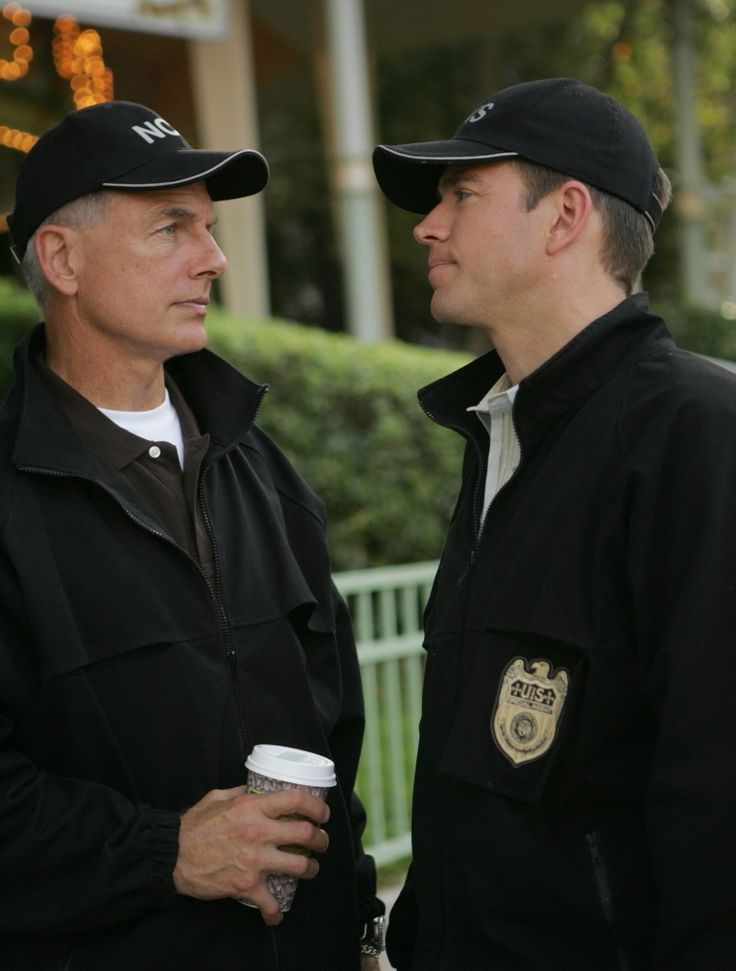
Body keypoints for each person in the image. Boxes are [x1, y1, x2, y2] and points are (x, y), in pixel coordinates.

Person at [0, 100, 384, 970]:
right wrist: (163, 848)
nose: (212, 258)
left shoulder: (264, 469)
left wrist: (357, 924)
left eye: (208, 227)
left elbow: (340, 735)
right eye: (171, 227)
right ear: (61, 258)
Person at [372, 76, 736, 970]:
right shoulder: (502, 430)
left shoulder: (696, 432)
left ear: (565, 215)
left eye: (462, 194)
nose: (429, 224)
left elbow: (717, 796)